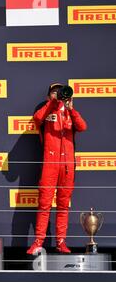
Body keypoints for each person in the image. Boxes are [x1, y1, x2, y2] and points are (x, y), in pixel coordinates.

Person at [27, 83, 87, 254]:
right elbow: (37, 119)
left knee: (63, 205)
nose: (59, 94)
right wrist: (52, 103)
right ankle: (38, 241)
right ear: (49, 96)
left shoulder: (69, 112)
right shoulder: (46, 111)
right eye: (55, 92)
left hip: (68, 166)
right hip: (50, 164)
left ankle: (61, 242)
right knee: (44, 204)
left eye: (60, 92)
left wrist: (71, 109)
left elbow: (82, 127)